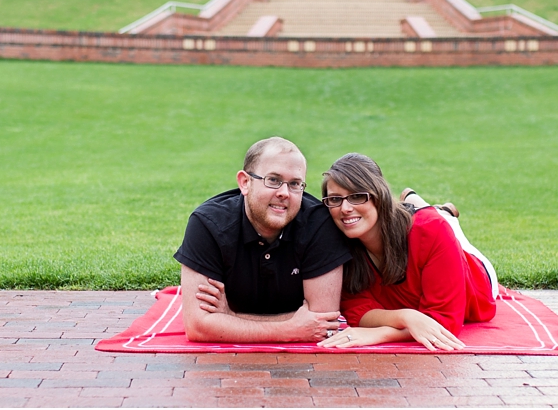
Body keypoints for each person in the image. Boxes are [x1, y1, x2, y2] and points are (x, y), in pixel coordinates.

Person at [175, 137, 352, 343]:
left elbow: (322, 323)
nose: (284, 193)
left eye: (295, 184)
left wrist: (229, 318)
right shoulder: (208, 224)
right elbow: (198, 327)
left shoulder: (319, 224)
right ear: (245, 182)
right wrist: (290, 330)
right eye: (273, 180)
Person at [317, 153, 499, 351]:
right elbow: (355, 309)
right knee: (430, 221)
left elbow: (444, 322)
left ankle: (441, 211)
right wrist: (407, 316)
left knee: (443, 224)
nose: (344, 208)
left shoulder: (432, 230)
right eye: (335, 199)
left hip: (476, 278)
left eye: (357, 196)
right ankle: (420, 204)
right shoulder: (337, 241)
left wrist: (381, 333)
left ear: (380, 196)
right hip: (412, 227)